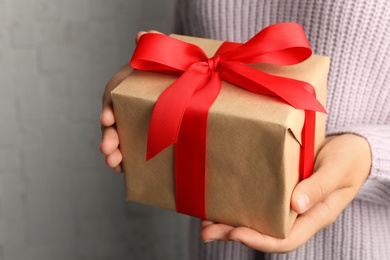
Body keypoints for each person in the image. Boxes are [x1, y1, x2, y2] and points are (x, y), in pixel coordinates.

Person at [100, 0, 390, 259]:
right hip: (216, 247)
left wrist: (370, 154)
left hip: (356, 245)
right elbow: (195, 48)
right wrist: (145, 84)